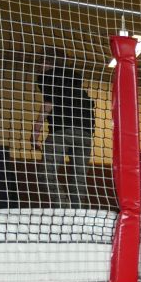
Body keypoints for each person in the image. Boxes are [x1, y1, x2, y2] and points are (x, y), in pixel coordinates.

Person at [31, 48, 95, 208]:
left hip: (62, 130)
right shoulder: (74, 80)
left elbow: (48, 103)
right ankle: (77, 212)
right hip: (85, 133)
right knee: (79, 178)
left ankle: (64, 207)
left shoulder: (48, 77)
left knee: (46, 173)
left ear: (49, 62)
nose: (39, 66)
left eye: (41, 62)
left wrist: (36, 131)